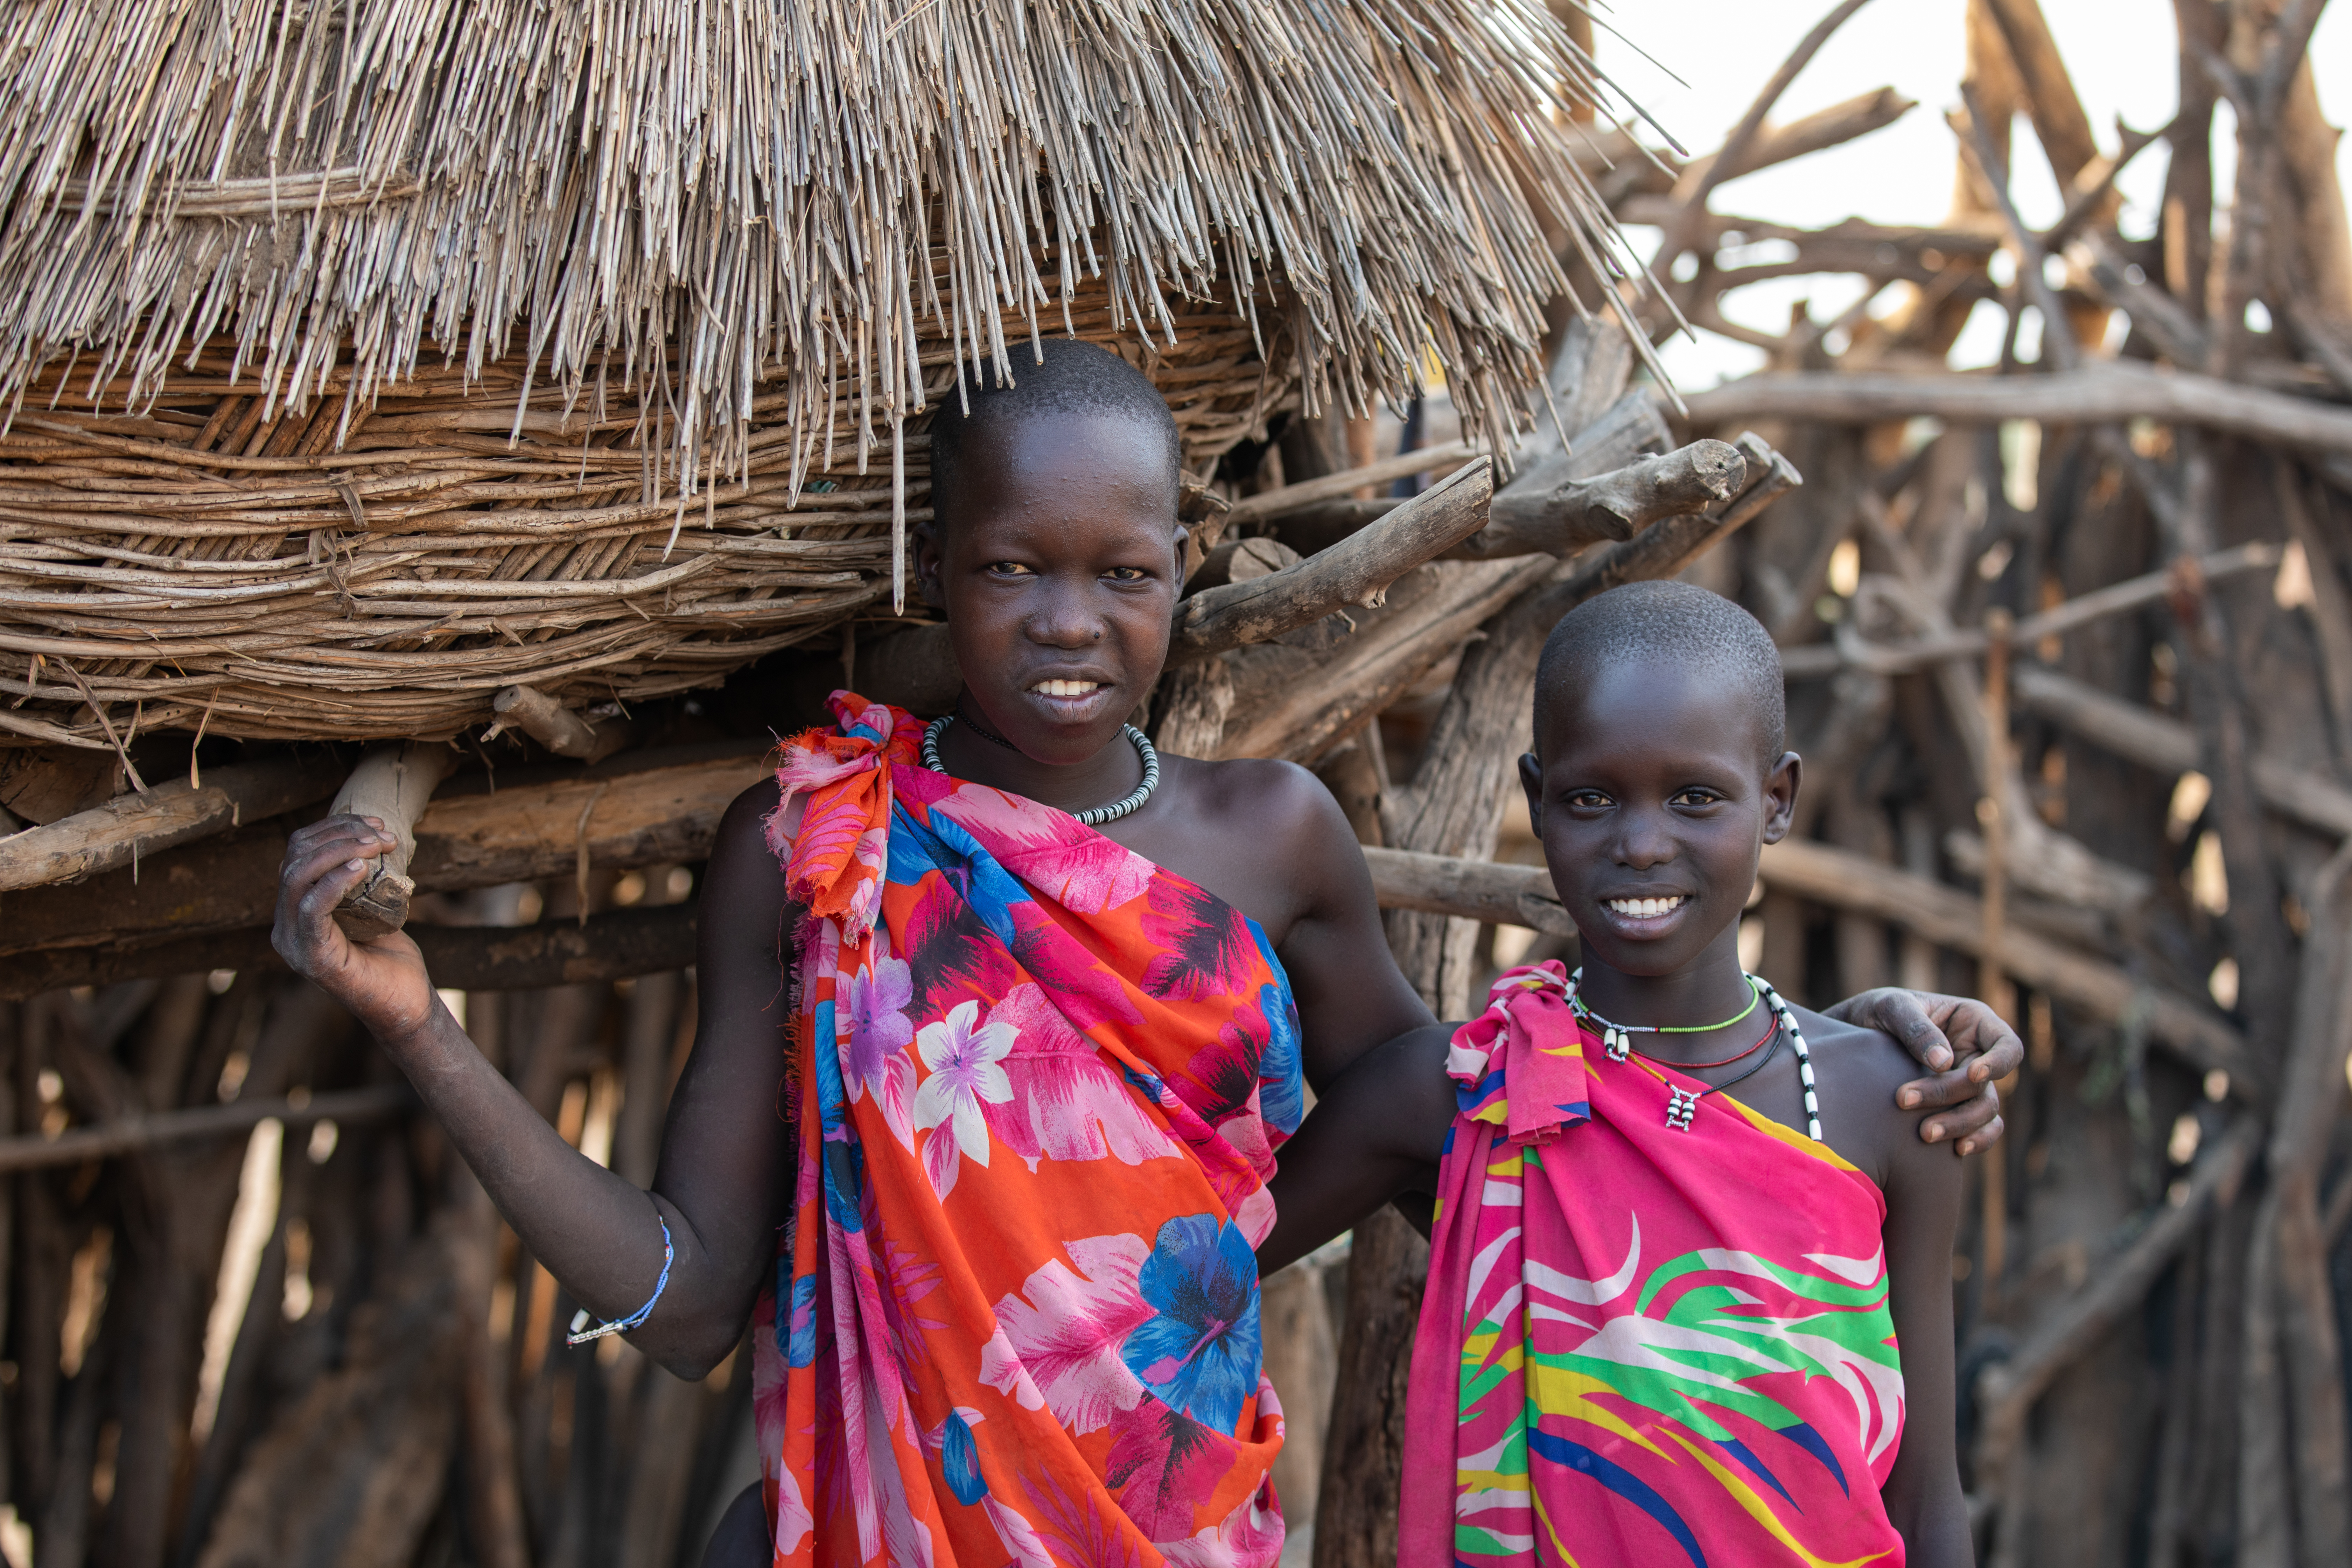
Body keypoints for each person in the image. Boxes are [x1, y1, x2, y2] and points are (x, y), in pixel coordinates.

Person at [272, 342, 2012, 1568]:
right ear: (935, 571)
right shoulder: (817, 850)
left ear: (1186, 569)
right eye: (1012, 567)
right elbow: (689, 1300)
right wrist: (424, 1031)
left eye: (1122, 572)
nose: (1065, 623)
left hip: (1179, 1532)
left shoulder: (1276, 843)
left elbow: (1514, 1135)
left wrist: (1855, 1049)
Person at [1257, 579, 1973, 1566]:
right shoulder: (1457, 1094)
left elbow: (1930, 1498)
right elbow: (1173, 1276)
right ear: (1537, 801)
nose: (1641, 844)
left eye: (1696, 797)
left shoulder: (1886, 1101)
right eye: (1593, 799)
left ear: (1777, 801)